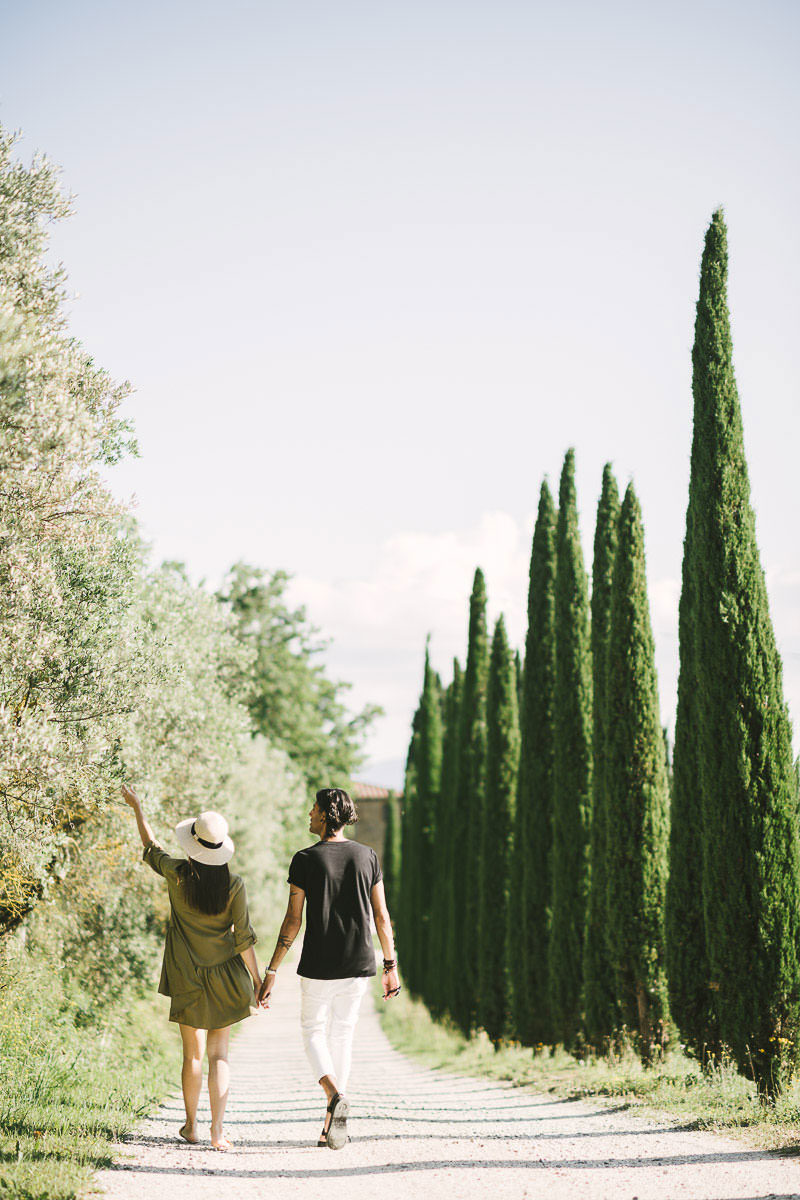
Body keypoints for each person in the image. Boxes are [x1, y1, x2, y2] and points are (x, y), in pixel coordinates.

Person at [257, 787, 400, 1150]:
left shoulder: (305, 860)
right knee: (343, 1036)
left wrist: (272, 970)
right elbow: (382, 917)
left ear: (325, 815)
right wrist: (390, 965)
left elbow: (293, 920)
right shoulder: (367, 856)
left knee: (313, 1032)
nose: (309, 813)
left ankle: (334, 1093)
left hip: (319, 965)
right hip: (358, 963)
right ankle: (331, 1126)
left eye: (313, 808)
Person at [122, 783, 261, 1151]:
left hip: (186, 974)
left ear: (193, 844)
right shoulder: (234, 885)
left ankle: (191, 1126)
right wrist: (259, 982)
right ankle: (217, 1132)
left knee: (193, 1055)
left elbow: (151, 848)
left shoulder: (177, 873)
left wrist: (138, 807)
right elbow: (244, 937)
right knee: (219, 1055)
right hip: (227, 976)